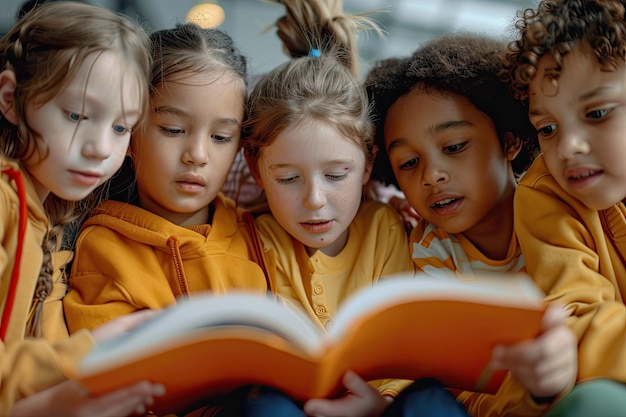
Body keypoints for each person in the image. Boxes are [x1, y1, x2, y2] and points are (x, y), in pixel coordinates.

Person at [240, 1, 469, 416]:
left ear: (367, 163)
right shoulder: (248, 238)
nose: (314, 200)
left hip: (381, 400)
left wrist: (379, 402)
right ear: (256, 169)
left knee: (430, 401)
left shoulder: (386, 227)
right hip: (291, 402)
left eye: (336, 174)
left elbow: (404, 336)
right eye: (289, 178)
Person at [365, 33, 579, 416]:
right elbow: (451, 383)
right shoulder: (426, 253)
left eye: (454, 147)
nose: (432, 176)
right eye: (409, 164)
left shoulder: (564, 215)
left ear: (510, 141)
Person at [0, 2, 165, 415]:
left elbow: (46, 348)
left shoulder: (52, 215)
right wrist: (88, 353)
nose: (100, 149)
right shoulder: (5, 203)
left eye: (121, 127)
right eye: (76, 115)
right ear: (9, 97)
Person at [502, 0, 626, 415]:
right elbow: (575, 312)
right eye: (548, 129)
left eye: (597, 113)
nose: (568, 147)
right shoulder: (544, 193)